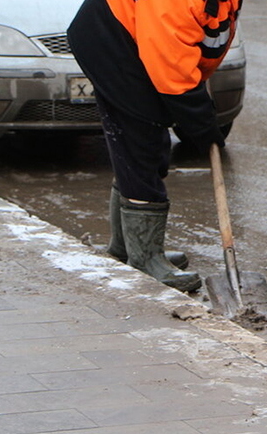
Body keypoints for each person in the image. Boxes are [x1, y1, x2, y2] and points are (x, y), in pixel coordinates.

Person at [67, 0, 241, 292]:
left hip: (140, 41)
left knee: (145, 144)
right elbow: (171, 65)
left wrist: (199, 90)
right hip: (113, 42)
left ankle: (127, 247)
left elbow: (200, 35)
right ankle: (145, 258)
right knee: (140, 145)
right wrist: (201, 123)